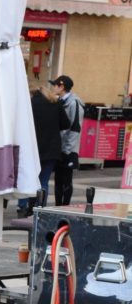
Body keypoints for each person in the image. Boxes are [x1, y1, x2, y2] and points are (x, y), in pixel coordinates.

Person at [16, 84, 67, 217]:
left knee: (27, 178)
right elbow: (66, 124)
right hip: (51, 149)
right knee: (43, 181)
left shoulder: (30, 104)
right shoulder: (56, 103)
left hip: (32, 148)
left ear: (32, 93)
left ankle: (22, 207)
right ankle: (40, 208)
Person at [51, 74, 84, 206]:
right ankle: (58, 206)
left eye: (55, 85)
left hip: (69, 150)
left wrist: (67, 150)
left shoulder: (74, 103)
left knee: (66, 181)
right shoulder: (59, 101)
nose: (53, 87)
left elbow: (75, 128)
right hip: (60, 148)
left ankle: (65, 207)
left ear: (62, 86)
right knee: (58, 180)